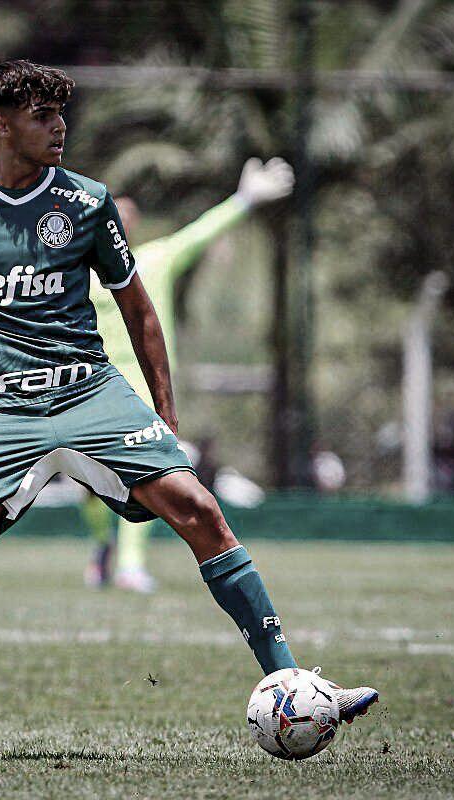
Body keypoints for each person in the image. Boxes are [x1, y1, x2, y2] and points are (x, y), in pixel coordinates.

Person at [0, 59, 378, 761]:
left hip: (91, 394)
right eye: (42, 116)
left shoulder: (85, 201)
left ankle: (292, 683)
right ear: (1, 125)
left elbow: (138, 309)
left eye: (61, 114)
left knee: (199, 509)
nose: (59, 128)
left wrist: (164, 416)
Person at [83, 158, 295, 593]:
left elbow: (199, 233)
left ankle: (129, 565)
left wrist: (244, 199)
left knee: (146, 478)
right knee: (91, 488)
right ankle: (105, 545)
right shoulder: (74, 277)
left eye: (125, 220)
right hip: (88, 395)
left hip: (141, 395)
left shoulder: (153, 261)